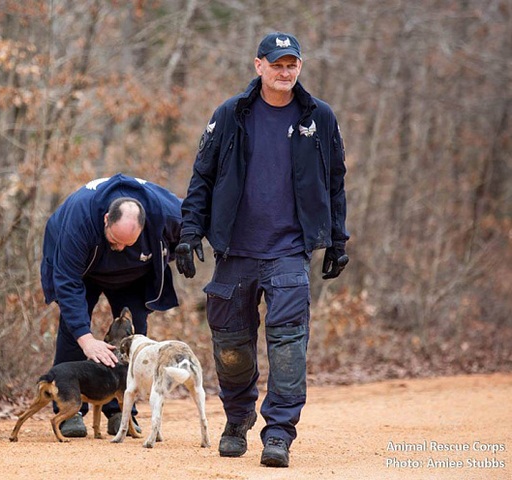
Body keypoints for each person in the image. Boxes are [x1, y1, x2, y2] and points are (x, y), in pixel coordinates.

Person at [176, 32, 350, 468]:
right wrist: (189, 232)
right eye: (276, 64)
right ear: (259, 66)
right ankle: (237, 420)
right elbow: (203, 177)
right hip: (236, 250)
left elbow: (335, 182)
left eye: (292, 64)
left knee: (289, 343)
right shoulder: (231, 114)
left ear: (300, 68)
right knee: (231, 344)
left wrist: (336, 239)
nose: (284, 71)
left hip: (289, 251)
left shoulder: (319, 118)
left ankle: (278, 434)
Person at [41, 173, 182, 437]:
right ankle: (71, 412)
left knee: (135, 336)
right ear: (106, 219)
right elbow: (67, 281)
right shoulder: (79, 219)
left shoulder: (166, 212)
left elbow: (198, 217)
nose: (119, 248)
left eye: (128, 243)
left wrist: (186, 244)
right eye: (115, 241)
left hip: (133, 275)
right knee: (74, 331)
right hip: (82, 272)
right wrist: (86, 339)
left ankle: (121, 412)